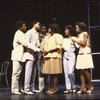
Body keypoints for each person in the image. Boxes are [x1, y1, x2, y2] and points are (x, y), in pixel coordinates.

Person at [11, 20, 40, 94]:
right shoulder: (18, 34)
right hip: (17, 56)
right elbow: (26, 43)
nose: (25, 27)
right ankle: (14, 89)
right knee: (16, 74)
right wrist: (37, 49)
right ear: (19, 27)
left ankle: (20, 88)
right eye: (24, 26)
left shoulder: (22, 33)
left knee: (19, 74)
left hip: (21, 56)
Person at [71, 22, 94, 94]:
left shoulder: (85, 33)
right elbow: (78, 46)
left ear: (81, 27)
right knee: (81, 71)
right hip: (80, 53)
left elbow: (84, 44)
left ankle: (90, 86)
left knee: (85, 70)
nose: (76, 29)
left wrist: (75, 40)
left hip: (85, 53)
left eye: (77, 28)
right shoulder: (78, 35)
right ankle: (83, 87)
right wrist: (74, 42)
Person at [41, 24, 63, 94]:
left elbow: (59, 46)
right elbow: (43, 44)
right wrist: (43, 50)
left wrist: (49, 50)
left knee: (55, 73)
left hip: (55, 56)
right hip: (47, 56)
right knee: (49, 73)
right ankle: (51, 88)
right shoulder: (47, 37)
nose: (48, 29)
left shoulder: (58, 36)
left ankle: (55, 88)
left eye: (49, 28)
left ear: (53, 29)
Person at [24, 20, 42, 94]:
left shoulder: (36, 33)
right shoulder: (29, 32)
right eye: (39, 24)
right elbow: (27, 43)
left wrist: (40, 47)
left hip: (35, 55)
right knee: (28, 72)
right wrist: (37, 49)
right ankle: (27, 89)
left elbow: (37, 43)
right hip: (29, 54)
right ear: (34, 24)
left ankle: (32, 88)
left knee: (34, 72)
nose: (40, 26)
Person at [62, 25, 76, 93]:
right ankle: (68, 88)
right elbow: (61, 47)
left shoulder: (74, 38)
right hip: (65, 55)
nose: (65, 31)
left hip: (71, 55)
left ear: (70, 31)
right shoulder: (64, 39)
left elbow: (78, 46)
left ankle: (74, 87)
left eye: (66, 30)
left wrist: (74, 42)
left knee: (71, 72)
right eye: (65, 30)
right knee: (66, 73)